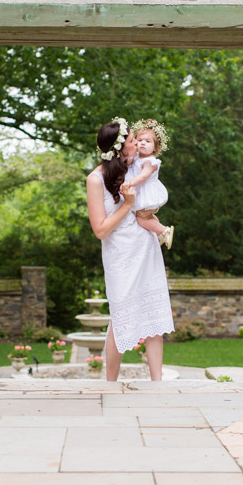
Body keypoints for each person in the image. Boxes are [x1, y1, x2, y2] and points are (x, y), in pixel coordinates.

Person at [86, 117, 174, 381]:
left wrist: (151, 210)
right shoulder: (95, 179)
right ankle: (110, 383)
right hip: (120, 255)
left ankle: (157, 383)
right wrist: (127, 205)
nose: (138, 143)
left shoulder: (138, 168)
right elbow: (100, 230)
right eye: (134, 140)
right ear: (120, 149)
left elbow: (151, 197)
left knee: (153, 315)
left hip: (146, 249)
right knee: (120, 316)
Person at [128, 118, 174, 249]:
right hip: (142, 192)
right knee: (147, 215)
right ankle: (160, 233)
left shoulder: (150, 161)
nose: (143, 143)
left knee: (141, 218)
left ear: (156, 147)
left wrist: (129, 184)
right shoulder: (138, 157)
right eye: (140, 140)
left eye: (148, 141)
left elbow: (143, 176)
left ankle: (164, 231)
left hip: (148, 193)